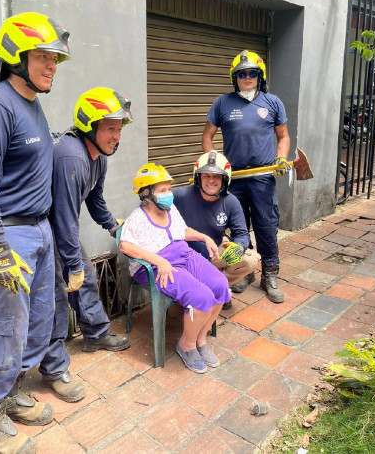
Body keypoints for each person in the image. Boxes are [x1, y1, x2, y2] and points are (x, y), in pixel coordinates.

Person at [0, 11, 70, 454]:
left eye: (55, 58)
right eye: (42, 56)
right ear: (15, 57)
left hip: (37, 230)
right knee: (2, 328)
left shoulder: (31, 102)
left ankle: (8, 393)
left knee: (37, 323)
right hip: (5, 235)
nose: (51, 66)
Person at [38, 87, 134, 403]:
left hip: (60, 227)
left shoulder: (97, 157)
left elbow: (93, 198)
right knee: (53, 295)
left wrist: (111, 224)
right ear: (89, 125)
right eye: (109, 128)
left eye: (119, 129)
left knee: (86, 280)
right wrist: (72, 262)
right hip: (42, 228)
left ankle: (94, 334)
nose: (116, 136)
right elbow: (64, 215)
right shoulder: (70, 156)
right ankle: (53, 368)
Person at [118, 163, 230, 373]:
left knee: (220, 285)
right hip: (158, 265)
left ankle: (200, 339)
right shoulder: (137, 218)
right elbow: (124, 245)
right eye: (162, 191)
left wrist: (204, 237)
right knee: (202, 297)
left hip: (183, 254)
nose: (169, 194)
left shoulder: (170, 209)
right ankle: (186, 345)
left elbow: (183, 231)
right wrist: (158, 260)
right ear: (145, 193)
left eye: (169, 189)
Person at [202, 50, 290, 303]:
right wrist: (216, 165)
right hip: (234, 178)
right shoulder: (222, 102)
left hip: (262, 177)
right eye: (242, 74)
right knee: (238, 227)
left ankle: (270, 274)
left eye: (252, 73)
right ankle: (245, 272)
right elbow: (207, 137)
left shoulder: (272, 102)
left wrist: (281, 158)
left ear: (260, 77)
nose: (247, 77)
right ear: (235, 78)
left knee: (266, 225)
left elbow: (283, 136)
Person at [173, 150, 260, 311]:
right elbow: (156, 207)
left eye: (216, 176)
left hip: (215, 252)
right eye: (206, 175)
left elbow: (241, 233)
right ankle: (213, 288)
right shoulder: (180, 195)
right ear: (198, 177)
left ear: (224, 179)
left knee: (250, 260)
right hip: (185, 255)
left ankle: (216, 288)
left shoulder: (231, 202)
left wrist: (239, 247)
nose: (211, 180)